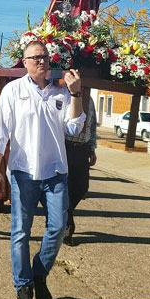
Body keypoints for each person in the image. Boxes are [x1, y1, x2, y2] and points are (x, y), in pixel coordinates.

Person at [0, 40, 86, 299]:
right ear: (25, 62)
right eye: (35, 57)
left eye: (44, 56)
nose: (42, 61)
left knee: (58, 229)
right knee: (20, 232)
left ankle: (39, 273)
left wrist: (76, 93)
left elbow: (74, 126)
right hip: (23, 173)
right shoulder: (13, 91)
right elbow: (0, 135)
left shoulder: (61, 92)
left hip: (56, 172)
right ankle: (23, 288)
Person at [63, 96, 97, 246]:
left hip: (82, 148)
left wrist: (92, 149)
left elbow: (92, 125)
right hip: (65, 146)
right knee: (64, 189)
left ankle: (62, 218)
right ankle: (67, 226)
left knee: (82, 188)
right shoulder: (64, 96)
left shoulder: (89, 99)